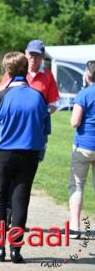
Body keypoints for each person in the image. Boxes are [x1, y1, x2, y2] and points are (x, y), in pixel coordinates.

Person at [0, 52, 51, 263]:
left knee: (0, 198)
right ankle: (16, 250)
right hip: (29, 155)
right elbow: (46, 128)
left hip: (3, 153)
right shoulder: (39, 96)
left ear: (7, 71)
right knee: (21, 200)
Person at [69, 60, 95, 239]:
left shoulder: (84, 94)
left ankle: (75, 227)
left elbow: (74, 121)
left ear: (88, 74)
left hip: (84, 146)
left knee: (77, 185)